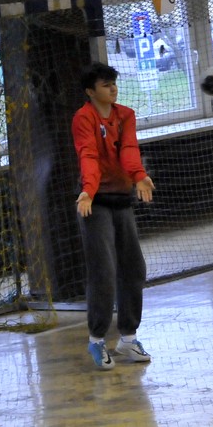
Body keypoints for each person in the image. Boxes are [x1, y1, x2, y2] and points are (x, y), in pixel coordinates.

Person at [72, 62, 155, 370]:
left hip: (121, 199)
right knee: (103, 271)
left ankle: (128, 338)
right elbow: (89, 155)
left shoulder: (125, 115)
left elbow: (129, 149)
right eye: (105, 85)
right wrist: (88, 190)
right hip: (93, 202)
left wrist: (138, 175)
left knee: (134, 268)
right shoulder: (84, 118)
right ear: (90, 91)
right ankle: (97, 340)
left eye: (113, 84)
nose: (112, 89)